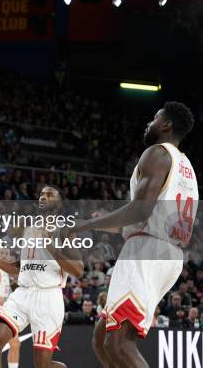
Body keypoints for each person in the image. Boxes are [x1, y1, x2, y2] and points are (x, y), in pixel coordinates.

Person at [69, 102, 199, 368]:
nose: (148, 124)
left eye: (154, 119)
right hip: (167, 254)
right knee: (102, 337)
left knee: (119, 345)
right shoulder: (186, 166)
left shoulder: (156, 153)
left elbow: (140, 211)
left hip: (146, 252)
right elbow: (142, 217)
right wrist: (95, 222)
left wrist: (83, 226)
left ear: (166, 125)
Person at [0, 186, 83, 368]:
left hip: (48, 298)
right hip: (22, 294)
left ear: (59, 202)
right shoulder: (29, 229)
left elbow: (78, 270)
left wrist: (53, 249)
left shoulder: (65, 230)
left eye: (49, 195)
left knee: (42, 365)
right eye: (41, 194)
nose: (43, 197)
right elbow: (21, 268)